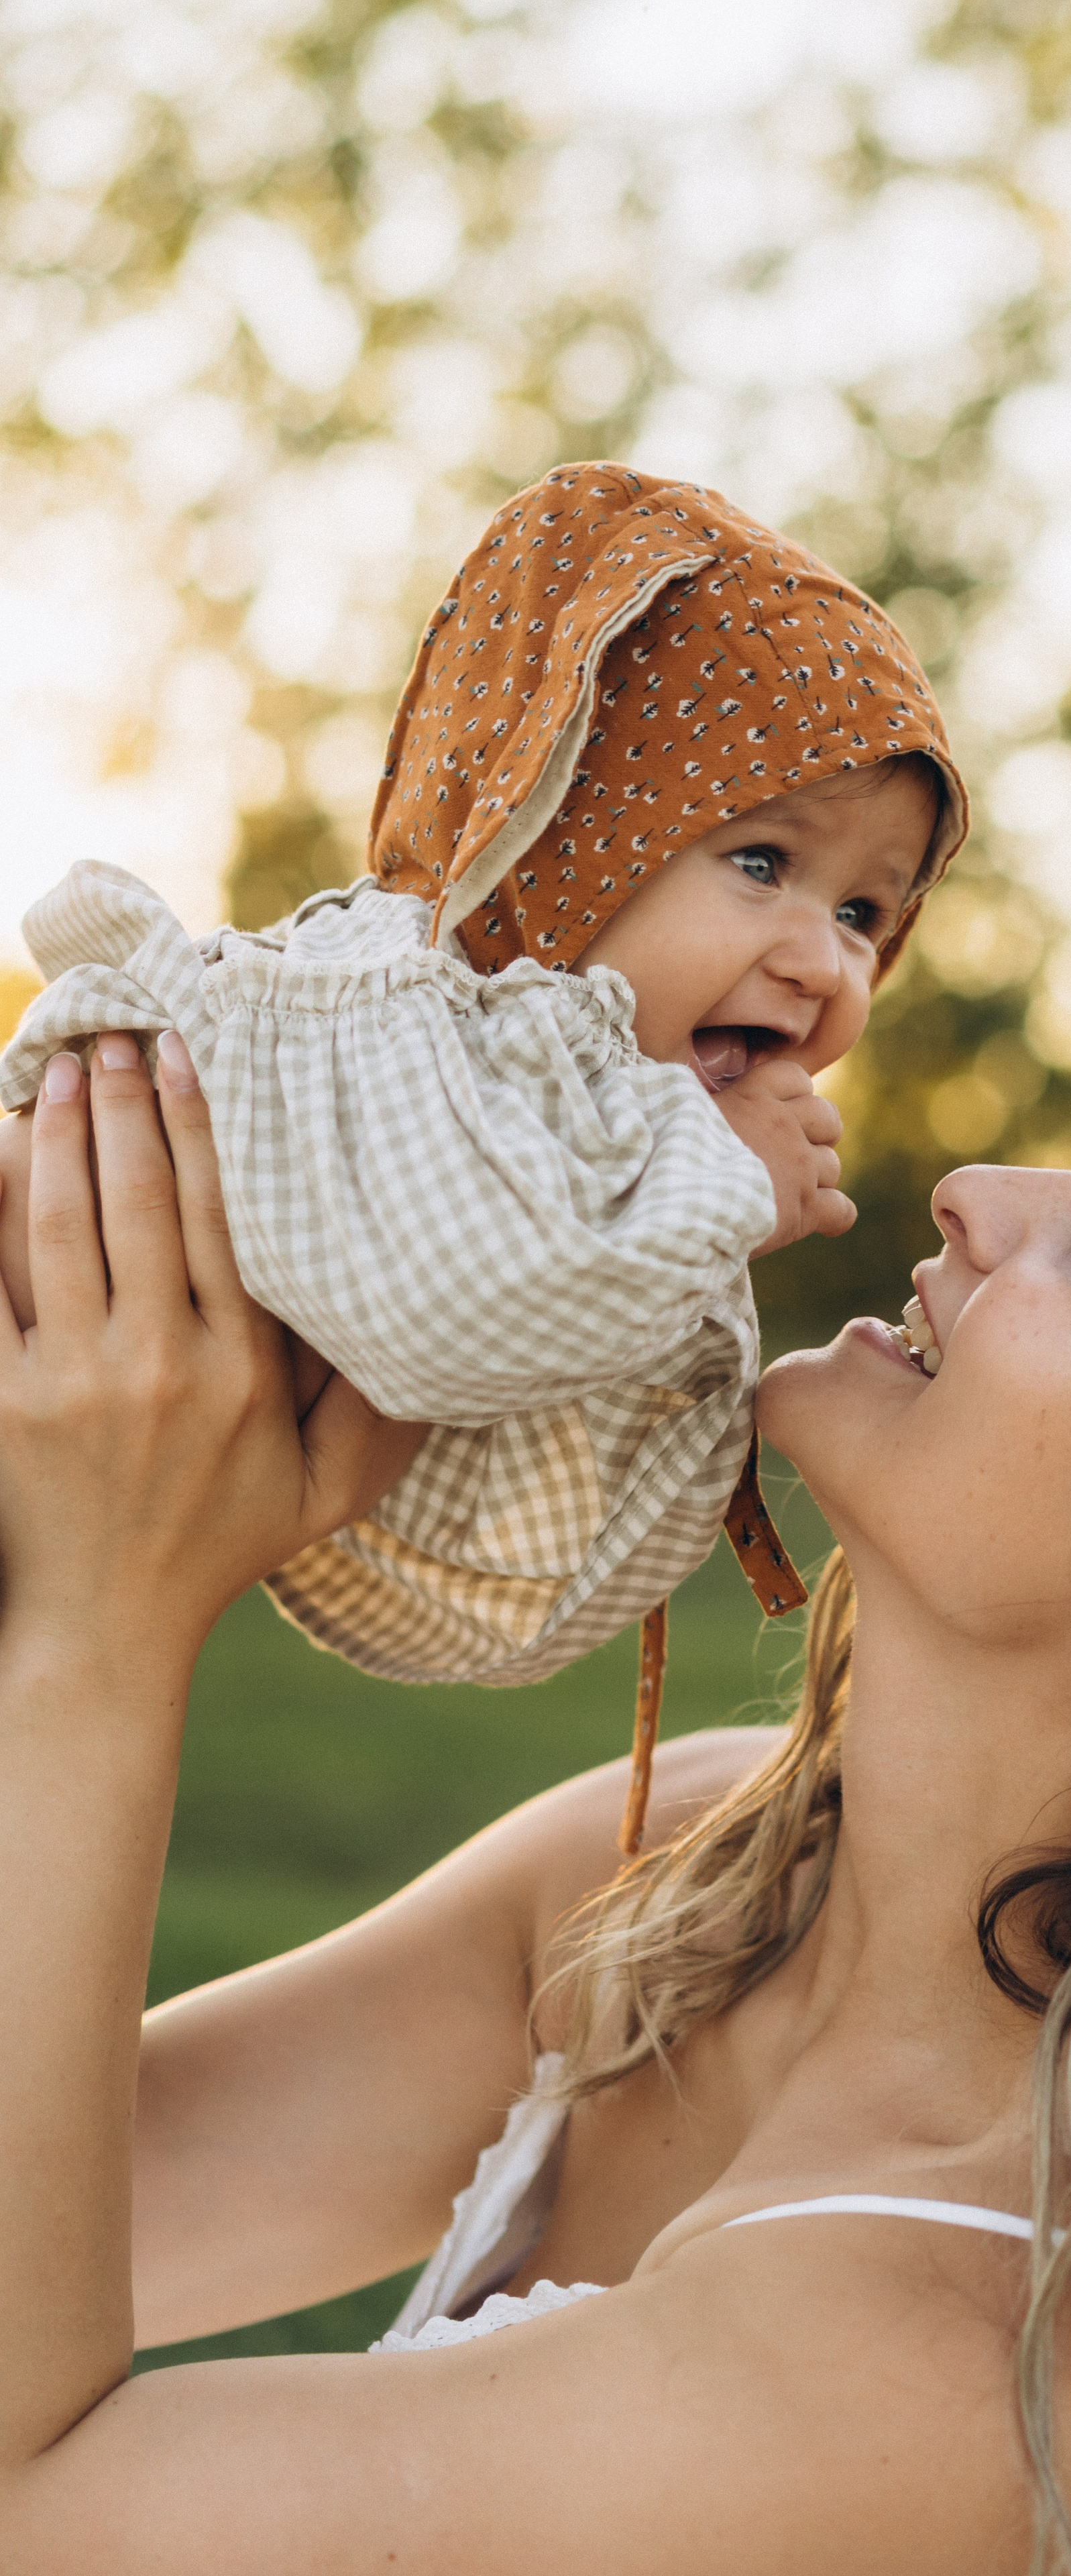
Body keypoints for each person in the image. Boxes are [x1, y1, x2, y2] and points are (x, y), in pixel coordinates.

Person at [0, 1037, 1071, 2576]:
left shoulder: (966, 2373)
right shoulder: (713, 1871)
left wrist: (104, 1620)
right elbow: (94, 2178)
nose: (973, 1195)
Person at [0, 464, 967, 1782]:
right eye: (759, 862)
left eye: (865, 913)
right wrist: (712, 1181)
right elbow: (449, 1321)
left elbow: (515, 1582)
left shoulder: (547, 1109)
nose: (823, 962)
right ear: (562, 831)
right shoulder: (388, 1011)